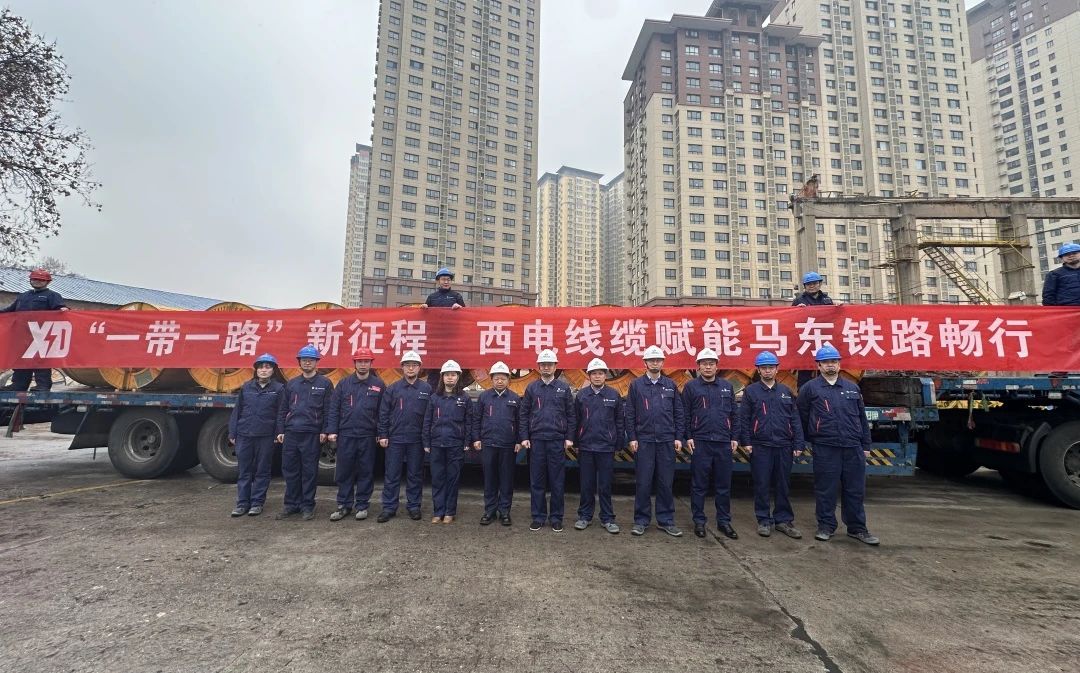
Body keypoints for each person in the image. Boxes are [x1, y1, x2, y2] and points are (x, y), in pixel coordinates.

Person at [796, 344, 880, 546]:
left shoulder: (852, 388)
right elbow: (801, 417)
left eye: (833, 362)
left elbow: (861, 418)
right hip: (826, 446)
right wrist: (813, 437)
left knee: (855, 489)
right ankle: (826, 526)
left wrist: (866, 444)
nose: (830, 366)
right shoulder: (810, 389)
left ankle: (857, 528)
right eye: (826, 362)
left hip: (853, 446)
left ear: (839, 364)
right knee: (826, 489)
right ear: (818, 366)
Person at [739, 351, 804, 540]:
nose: (767, 371)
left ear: (777, 369)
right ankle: (764, 520)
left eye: (771, 367)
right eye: (764, 368)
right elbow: (744, 419)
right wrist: (746, 441)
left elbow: (795, 419)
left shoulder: (786, 391)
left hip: (784, 445)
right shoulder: (751, 392)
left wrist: (798, 442)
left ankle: (783, 520)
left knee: (783, 484)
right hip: (760, 445)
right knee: (762, 483)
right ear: (758, 370)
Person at [625, 345, 685, 537]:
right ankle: (641, 521)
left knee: (665, 482)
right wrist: (632, 437)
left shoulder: (670, 385)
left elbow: (679, 412)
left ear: (662, 362)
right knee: (643, 482)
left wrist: (678, 437)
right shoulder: (636, 385)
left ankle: (666, 520)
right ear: (645, 363)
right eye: (651, 360)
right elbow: (630, 413)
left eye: (658, 360)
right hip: (644, 441)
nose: (655, 363)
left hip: (666, 440)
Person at [682, 348, 738, 540]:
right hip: (700, 442)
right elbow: (685, 414)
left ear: (717, 366)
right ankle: (699, 521)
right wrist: (688, 436)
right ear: (698, 366)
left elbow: (734, 414)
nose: (708, 367)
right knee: (699, 485)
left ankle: (724, 521)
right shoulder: (691, 387)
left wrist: (734, 437)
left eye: (711, 363)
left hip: (723, 442)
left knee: (724, 485)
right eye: (704, 364)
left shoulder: (726, 386)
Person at [519, 349, 576, 533]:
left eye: (549, 364)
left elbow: (571, 415)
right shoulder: (532, 388)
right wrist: (524, 437)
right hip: (536, 441)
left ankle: (556, 518)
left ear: (555, 366)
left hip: (556, 440)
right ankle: (538, 517)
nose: (546, 367)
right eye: (543, 365)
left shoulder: (563, 388)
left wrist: (569, 437)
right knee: (537, 481)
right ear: (538, 367)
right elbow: (524, 414)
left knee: (557, 481)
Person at [325, 347, 385, 522]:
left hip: (367, 435)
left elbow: (383, 412)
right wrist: (332, 430)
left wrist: (380, 432)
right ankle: (344, 505)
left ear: (371, 363)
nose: (363, 364)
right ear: (355, 363)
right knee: (344, 471)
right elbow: (334, 408)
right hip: (346, 434)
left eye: (366, 361)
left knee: (366, 471)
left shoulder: (379, 385)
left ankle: (362, 505)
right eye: (360, 361)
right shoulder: (344, 384)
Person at [275, 345, 333, 521]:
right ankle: (291, 504)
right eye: (304, 360)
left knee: (309, 471)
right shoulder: (292, 384)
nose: (307, 362)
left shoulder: (324, 384)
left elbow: (328, 410)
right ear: (299, 362)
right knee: (290, 470)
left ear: (317, 362)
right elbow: (283, 409)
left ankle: (307, 505)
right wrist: (280, 429)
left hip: (312, 434)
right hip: (292, 433)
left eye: (311, 360)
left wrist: (325, 430)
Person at [376, 350, 432, 522]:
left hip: (416, 439)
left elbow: (430, 416)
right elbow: (383, 413)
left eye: (414, 365)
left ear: (419, 368)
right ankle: (389, 507)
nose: (411, 368)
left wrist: (427, 439)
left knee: (415, 474)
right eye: (407, 365)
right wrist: (383, 434)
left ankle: (414, 506)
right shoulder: (393, 389)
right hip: (395, 438)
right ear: (402, 367)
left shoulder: (426, 389)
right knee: (392, 474)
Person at [227, 353, 284, 518]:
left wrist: (279, 432)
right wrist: (233, 432)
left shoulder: (279, 389)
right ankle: (242, 504)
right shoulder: (247, 387)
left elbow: (281, 413)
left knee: (262, 471)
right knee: (244, 471)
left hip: (266, 436)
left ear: (273, 370)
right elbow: (237, 411)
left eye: (267, 367)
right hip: (245, 434)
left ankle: (257, 503)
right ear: (256, 370)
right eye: (260, 367)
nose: (264, 370)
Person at [573, 357, 624, 534]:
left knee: (605, 485)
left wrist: (618, 443)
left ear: (605, 375)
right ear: (589, 376)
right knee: (586, 485)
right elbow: (576, 420)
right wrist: (576, 442)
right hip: (586, 447)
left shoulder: (613, 395)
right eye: (593, 373)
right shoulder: (582, 395)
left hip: (606, 447)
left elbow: (619, 421)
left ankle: (607, 518)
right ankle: (584, 516)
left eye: (600, 373)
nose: (597, 376)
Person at [1, 268, 68, 391]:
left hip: (41, 334)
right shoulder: (23, 296)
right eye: (35, 279)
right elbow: (10, 310)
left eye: (41, 280)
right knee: (21, 359)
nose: (37, 281)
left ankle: (43, 386)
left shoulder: (53, 296)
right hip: (23, 334)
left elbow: (61, 310)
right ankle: (19, 385)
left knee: (40, 360)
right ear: (30, 280)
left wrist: (64, 310)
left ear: (48, 282)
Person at [423, 360, 473, 524]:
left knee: (452, 479)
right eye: (447, 375)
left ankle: (450, 512)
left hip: (455, 445)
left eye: (453, 375)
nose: (450, 378)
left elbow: (469, 422)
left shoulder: (464, 398)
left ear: (458, 377)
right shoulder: (434, 398)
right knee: (437, 478)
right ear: (442, 377)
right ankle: (438, 511)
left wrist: (466, 442)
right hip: (437, 444)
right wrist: (426, 442)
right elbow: (427, 421)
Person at [472, 361, 521, 526]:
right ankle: (490, 511)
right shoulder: (484, 397)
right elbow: (477, 419)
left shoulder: (515, 398)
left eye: (503, 378)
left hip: (508, 445)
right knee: (490, 478)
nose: (500, 381)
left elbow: (520, 421)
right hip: (488, 444)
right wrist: (476, 438)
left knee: (507, 479)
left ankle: (505, 511)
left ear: (508, 380)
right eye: (496, 378)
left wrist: (519, 440)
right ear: (491, 379)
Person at [792, 271, 843, 390]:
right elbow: (790, 320)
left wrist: (838, 308)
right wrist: (796, 310)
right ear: (805, 286)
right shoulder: (799, 300)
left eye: (814, 283)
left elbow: (833, 318)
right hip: (806, 341)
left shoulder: (827, 299)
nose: (812, 286)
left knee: (824, 366)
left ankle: (827, 392)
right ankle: (803, 393)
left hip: (823, 339)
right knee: (805, 370)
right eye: (808, 284)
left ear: (819, 284)